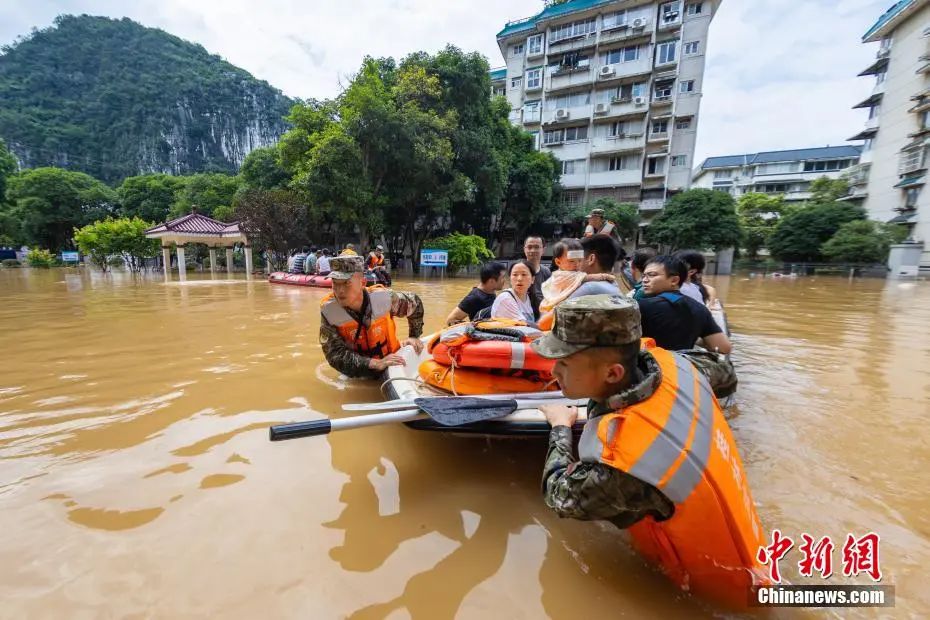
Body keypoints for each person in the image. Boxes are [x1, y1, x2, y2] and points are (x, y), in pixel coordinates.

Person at [531, 295, 765, 609]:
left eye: (564, 363)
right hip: (757, 555)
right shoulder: (676, 363)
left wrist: (560, 427)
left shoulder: (626, 468)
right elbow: (726, 376)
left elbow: (559, 496)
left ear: (613, 374)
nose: (552, 372)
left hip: (718, 595)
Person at [319, 256, 425, 379]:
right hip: (359, 372)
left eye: (346, 283)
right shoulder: (329, 311)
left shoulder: (384, 299)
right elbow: (334, 354)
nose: (339, 290)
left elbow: (415, 303)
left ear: (362, 283)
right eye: (335, 283)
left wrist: (414, 336)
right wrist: (374, 363)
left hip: (393, 363)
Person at [638, 255, 732, 354]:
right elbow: (724, 348)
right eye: (643, 276)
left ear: (674, 280)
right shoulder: (700, 309)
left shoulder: (641, 306)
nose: (644, 280)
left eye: (652, 275)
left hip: (649, 366)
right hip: (682, 366)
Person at [540, 238, 616, 312]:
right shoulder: (564, 275)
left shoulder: (571, 274)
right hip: (552, 308)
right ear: (558, 262)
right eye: (571, 261)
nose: (577, 264)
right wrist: (605, 276)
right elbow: (588, 277)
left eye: (580, 260)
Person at [489, 261, 537, 326]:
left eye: (524, 274)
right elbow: (524, 326)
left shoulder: (529, 298)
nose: (519, 279)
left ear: (532, 279)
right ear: (510, 279)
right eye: (515, 274)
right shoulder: (505, 298)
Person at [522, 236, 551, 316]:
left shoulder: (546, 272)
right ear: (524, 249)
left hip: (542, 316)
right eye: (529, 247)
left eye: (537, 247)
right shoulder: (518, 270)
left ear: (543, 250)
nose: (533, 250)